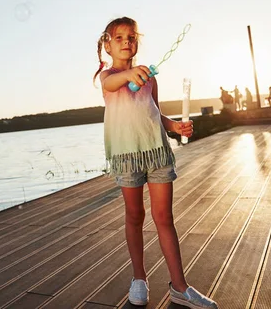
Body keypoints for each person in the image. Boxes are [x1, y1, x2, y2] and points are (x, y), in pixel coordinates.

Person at [93, 17, 218, 308]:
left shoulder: (149, 79)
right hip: (127, 156)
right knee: (135, 216)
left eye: (132, 36)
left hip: (157, 153)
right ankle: (139, 278)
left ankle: (180, 286)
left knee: (165, 218)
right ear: (107, 45)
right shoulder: (108, 76)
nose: (127, 41)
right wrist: (130, 74)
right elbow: (114, 82)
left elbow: (155, 113)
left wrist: (175, 127)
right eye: (120, 37)